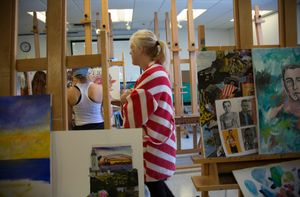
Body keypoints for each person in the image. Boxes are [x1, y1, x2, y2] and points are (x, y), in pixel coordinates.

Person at [120, 29, 176, 197]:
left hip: (153, 145)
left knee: (156, 187)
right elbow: (143, 100)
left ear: (141, 49)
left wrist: (125, 100)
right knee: (158, 187)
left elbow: (135, 114)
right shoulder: (155, 72)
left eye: (132, 47)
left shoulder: (153, 74)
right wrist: (132, 96)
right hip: (157, 140)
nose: (130, 51)